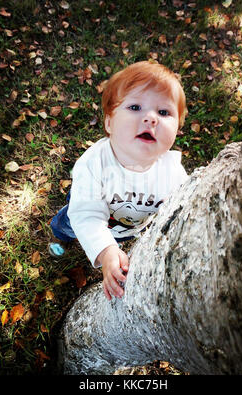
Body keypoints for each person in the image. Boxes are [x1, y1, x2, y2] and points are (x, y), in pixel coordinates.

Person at [49, 61, 189, 300]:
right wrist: (105, 252)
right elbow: (88, 216)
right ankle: (61, 236)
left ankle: (112, 240)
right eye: (135, 107)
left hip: (130, 227)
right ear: (109, 123)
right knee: (69, 224)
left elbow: (182, 211)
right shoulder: (94, 164)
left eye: (164, 112)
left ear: (177, 129)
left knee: (120, 235)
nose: (151, 118)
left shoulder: (174, 173)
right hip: (86, 211)